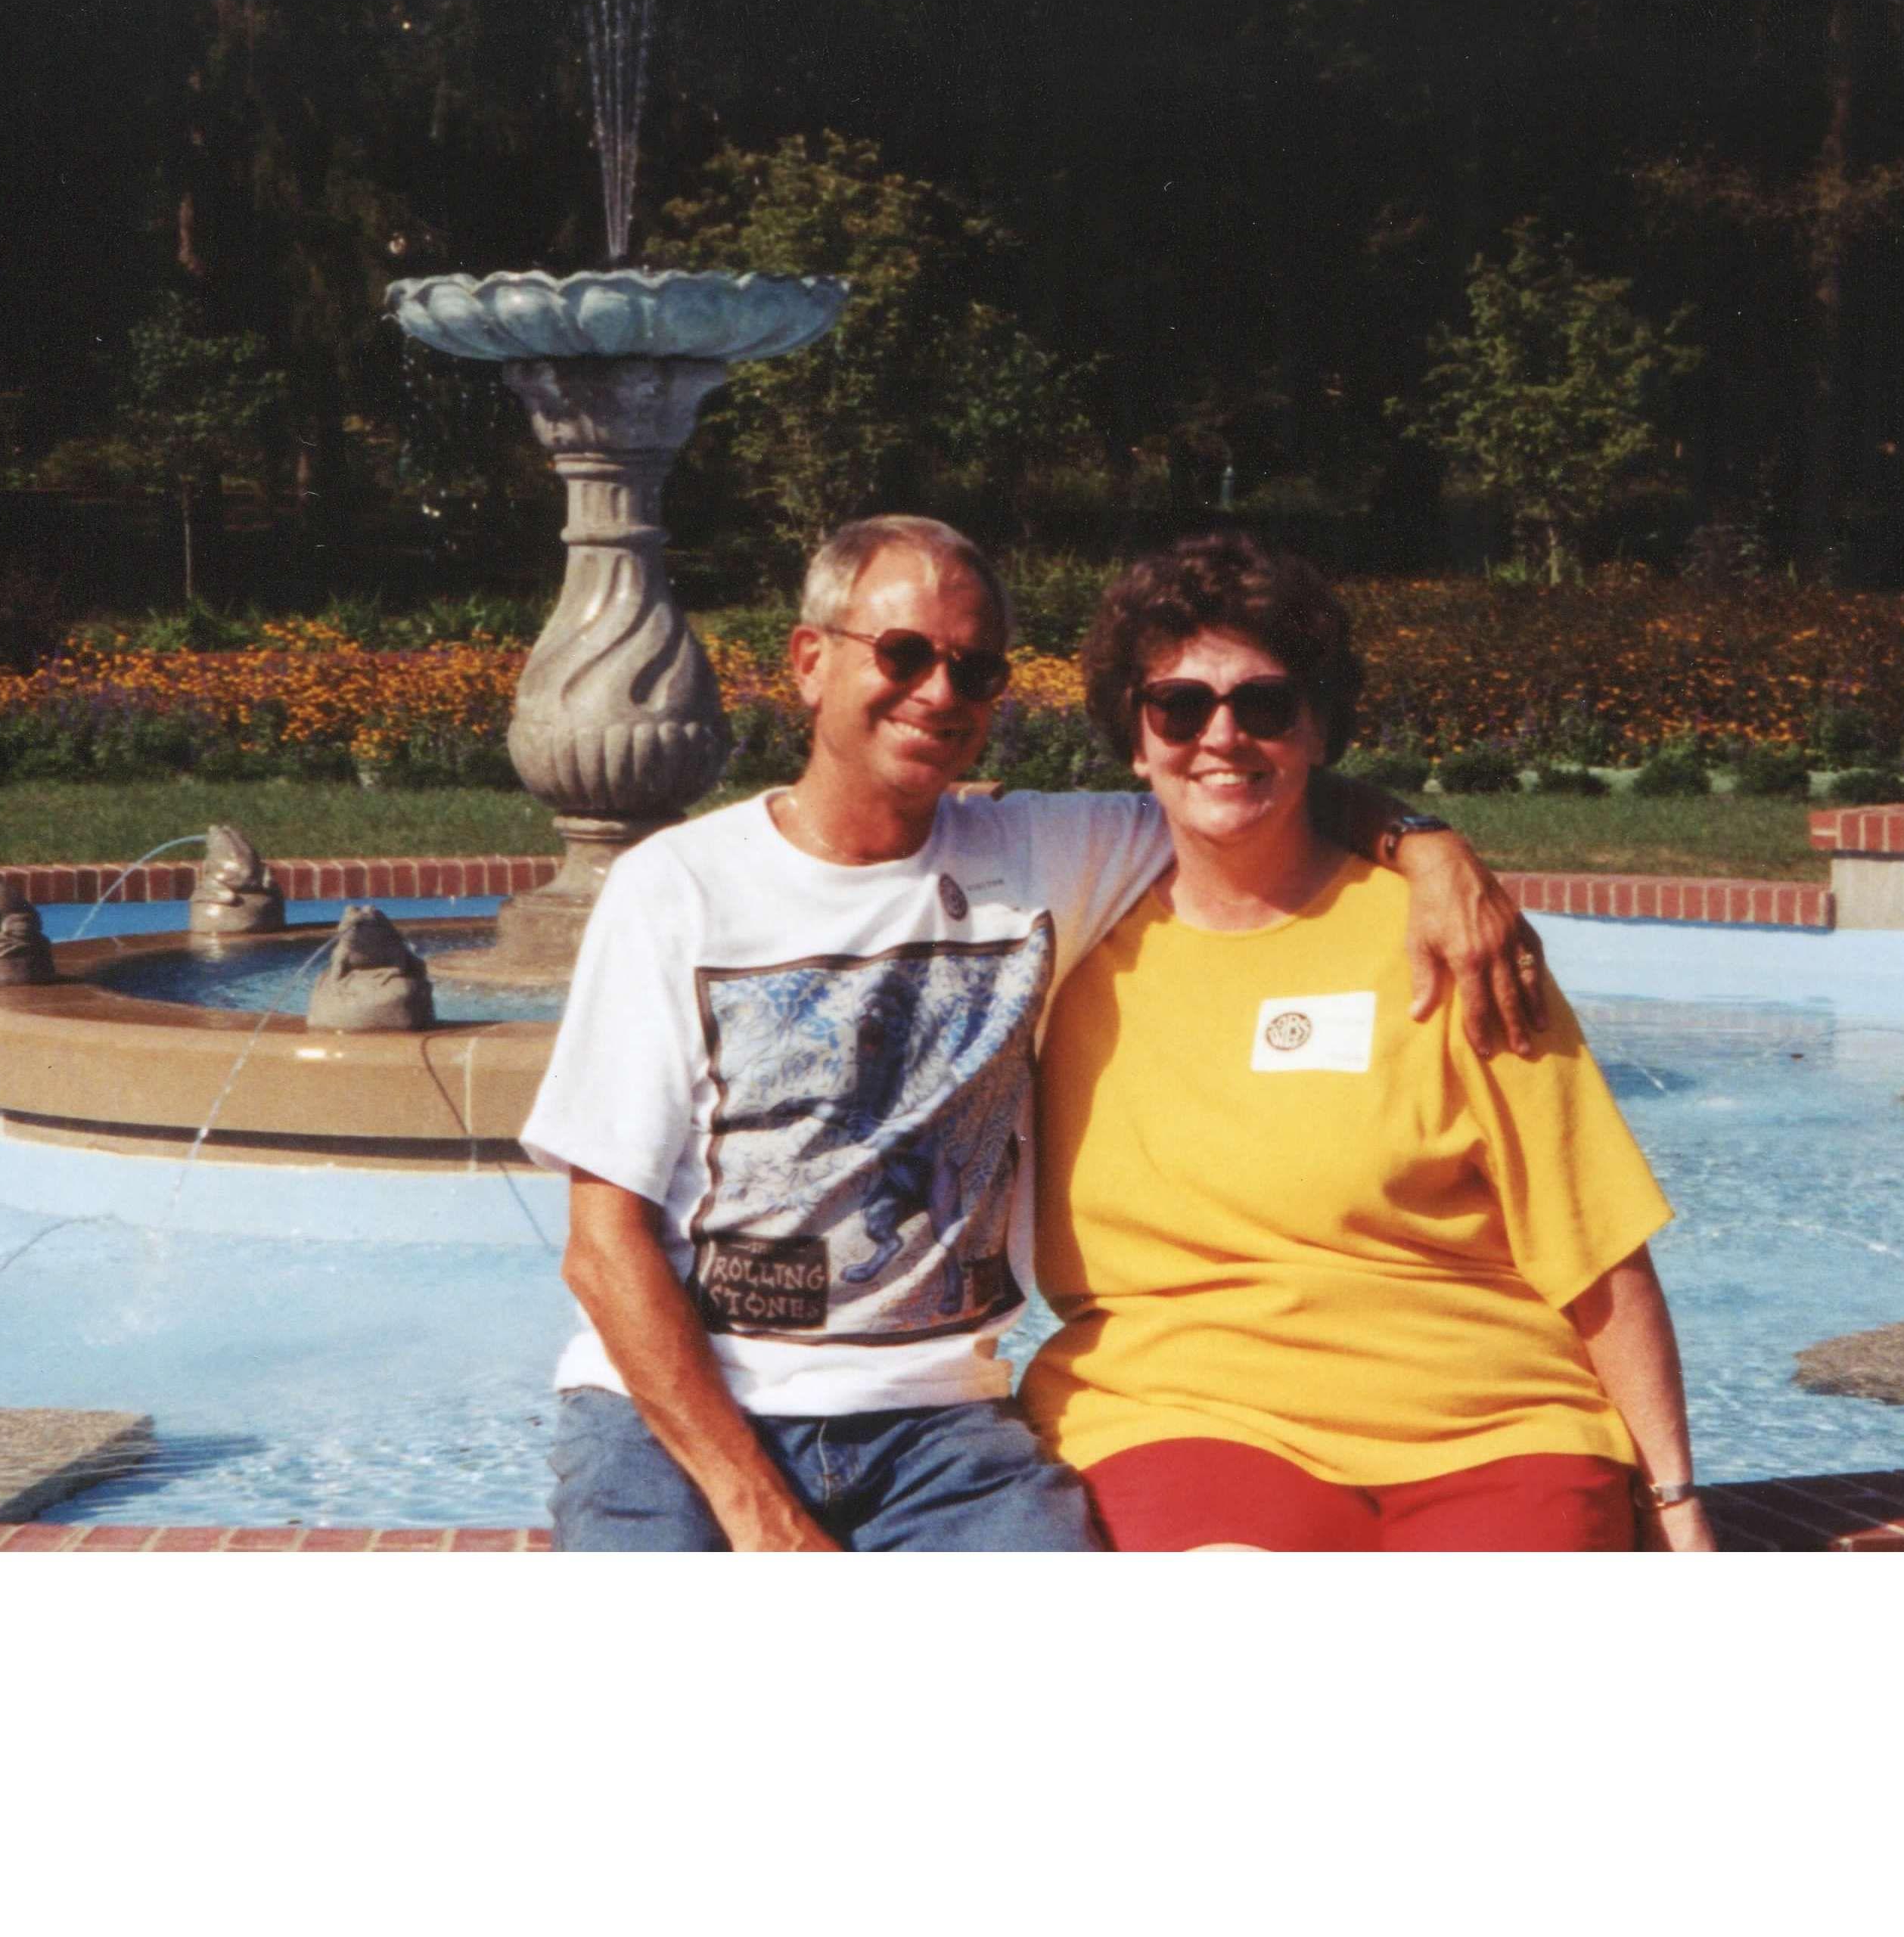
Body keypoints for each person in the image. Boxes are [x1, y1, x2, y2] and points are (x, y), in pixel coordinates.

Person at [520, 515, 1545, 1551]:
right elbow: (602, 1250)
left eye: (975, 671)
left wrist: (1430, 847)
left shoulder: (1044, 854)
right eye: (904, 654)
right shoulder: (679, 888)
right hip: (677, 1418)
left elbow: (1242, 778)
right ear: (810, 661)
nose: (940, 694)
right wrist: (758, 1512)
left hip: (934, 1428)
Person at [1022, 532, 1714, 1551]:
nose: (1222, 736)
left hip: (1495, 1419)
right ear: (1135, 737)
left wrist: (1679, 1501)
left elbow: (1595, 1245)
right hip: (1183, 1408)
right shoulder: (1067, 940)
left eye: (1266, 705)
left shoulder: (1455, 940)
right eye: (1180, 706)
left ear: (1316, 729)